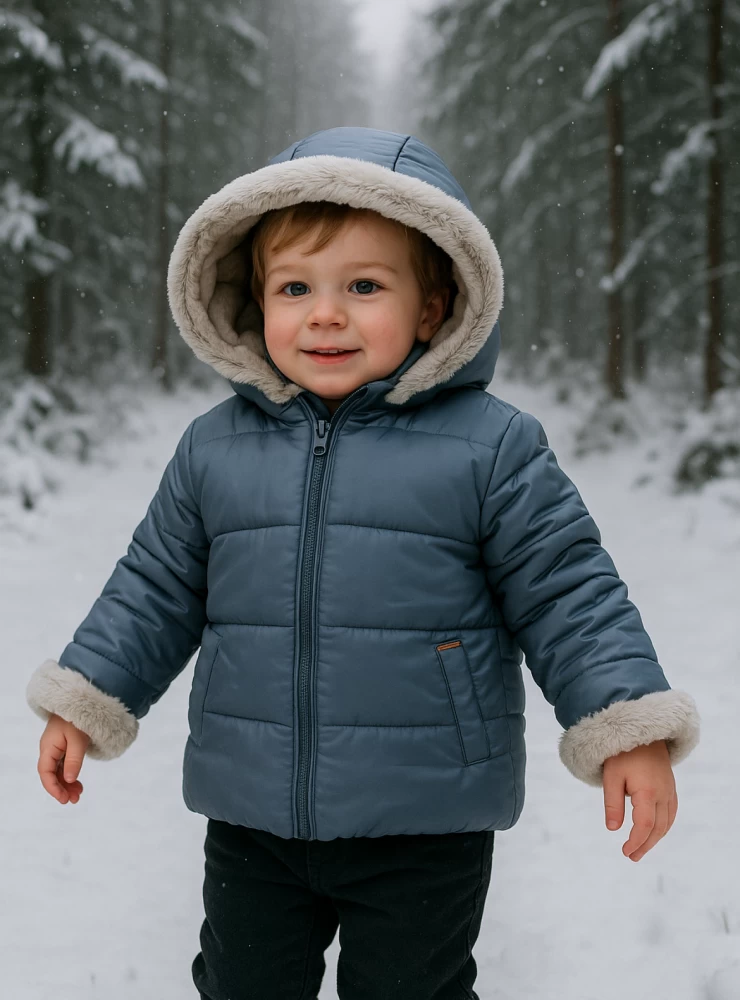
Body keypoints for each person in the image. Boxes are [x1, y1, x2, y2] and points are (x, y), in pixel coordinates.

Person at [26, 126, 701, 1000]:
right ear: (251, 301)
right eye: (294, 287)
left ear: (432, 306)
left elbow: (568, 591)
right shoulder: (213, 451)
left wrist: (629, 728)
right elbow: (153, 588)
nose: (325, 313)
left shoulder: (490, 450)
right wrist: (86, 700)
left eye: (365, 286)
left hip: (423, 821)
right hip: (252, 818)